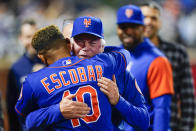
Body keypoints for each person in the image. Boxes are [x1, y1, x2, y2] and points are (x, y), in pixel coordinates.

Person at [18, 16, 149, 131]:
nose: (86, 47)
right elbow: (28, 122)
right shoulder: (47, 78)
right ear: (69, 44)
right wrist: (57, 110)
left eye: (92, 42)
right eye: (80, 41)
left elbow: (143, 121)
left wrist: (119, 101)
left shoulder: (120, 74)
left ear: (102, 45)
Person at [116, 5, 174, 130]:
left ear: (143, 28)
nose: (128, 31)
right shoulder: (114, 57)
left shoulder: (157, 61)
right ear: (117, 28)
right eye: (123, 27)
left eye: (133, 27)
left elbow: (161, 109)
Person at [140, 2, 195, 130]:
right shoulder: (124, 56)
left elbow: (188, 100)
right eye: (144, 17)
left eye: (153, 18)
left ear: (160, 22)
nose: (148, 22)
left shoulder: (176, 53)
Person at [6, 19, 44, 131]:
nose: (32, 41)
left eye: (35, 36)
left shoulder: (51, 62)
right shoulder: (16, 69)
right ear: (21, 38)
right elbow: (11, 106)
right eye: (28, 36)